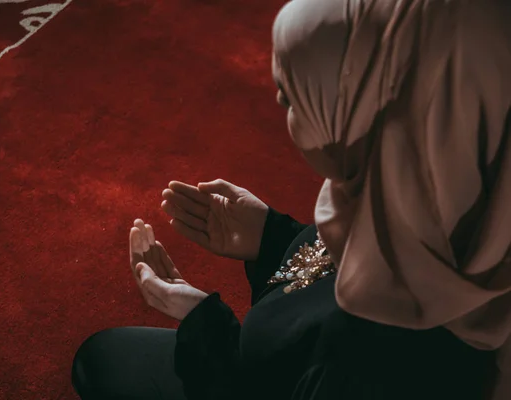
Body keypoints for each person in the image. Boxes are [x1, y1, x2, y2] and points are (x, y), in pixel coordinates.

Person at [71, 0, 511, 398]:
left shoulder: (373, 360)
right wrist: (272, 237)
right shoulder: (443, 185)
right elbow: (336, 277)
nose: (284, 109)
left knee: (100, 362)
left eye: (296, 99)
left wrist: (204, 324)